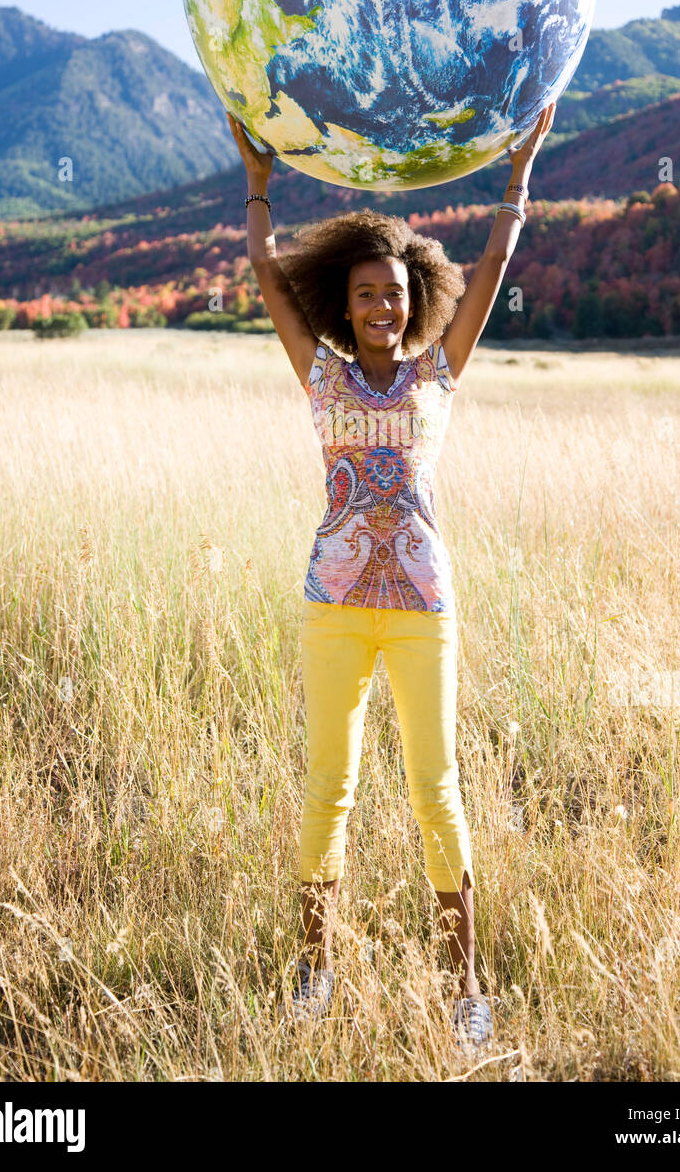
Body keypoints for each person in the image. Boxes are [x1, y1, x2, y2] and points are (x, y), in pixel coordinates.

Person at [226, 104, 555, 1053]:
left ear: (420, 301)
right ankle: (315, 973)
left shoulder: (439, 374)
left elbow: (492, 270)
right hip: (332, 607)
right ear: (346, 301)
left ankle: (466, 990)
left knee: (433, 787)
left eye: (398, 294)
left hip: (422, 609)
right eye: (367, 294)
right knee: (327, 786)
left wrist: (516, 177)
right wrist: (257, 187)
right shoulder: (319, 374)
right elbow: (264, 266)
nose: (384, 308)